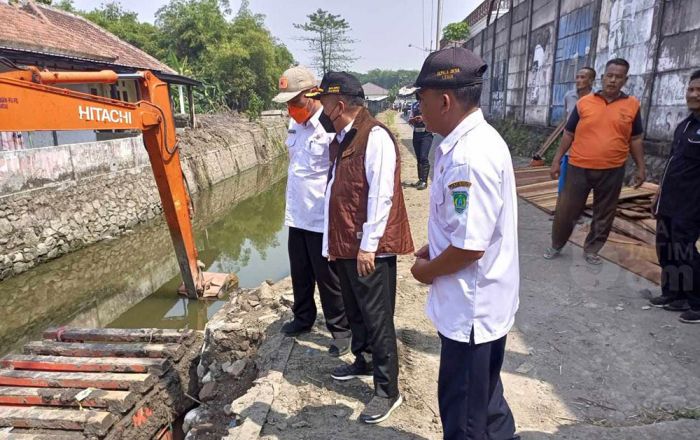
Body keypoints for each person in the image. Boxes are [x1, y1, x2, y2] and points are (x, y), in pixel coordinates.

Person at [410, 46, 520, 440]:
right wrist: (436, 247)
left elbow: (471, 246)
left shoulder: (468, 156)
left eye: (421, 101)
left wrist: (426, 270)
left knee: (464, 419)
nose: (418, 111)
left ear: (444, 100)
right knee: (487, 405)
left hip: (470, 311)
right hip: (483, 305)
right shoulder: (472, 141)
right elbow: (466, 229)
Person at [306, 71, 414, 424]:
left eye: (322, 102)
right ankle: (363, 360)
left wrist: (369, 246)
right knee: (356, 311)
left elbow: (382, 194)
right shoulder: (344, 137)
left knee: (378, 317)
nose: (318, 108)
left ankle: (387, 390)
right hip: (347, 245)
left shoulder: (375, 137)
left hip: (369, 249)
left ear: (338, 104)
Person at [272, 66, 351, 356]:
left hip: (321, 217)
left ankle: (341, 331)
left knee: (328, 278)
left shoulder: (330, 127)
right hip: (297, 215)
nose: (291, 109)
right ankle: (303, 317)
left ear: (312, 94)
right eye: (288, 104)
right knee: (300, 272)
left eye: (296, 102)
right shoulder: (295, 125)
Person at [544, 58, 647, 265]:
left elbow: (635, 139)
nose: (613, 80)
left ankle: (592, 249)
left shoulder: (632, 105)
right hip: (578, 167)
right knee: (567, 210)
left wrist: (641, 167)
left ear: (625, 80)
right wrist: (556, 160)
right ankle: (557, 244)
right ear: (602, 77)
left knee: (604, 214)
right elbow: (568, 133)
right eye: (609, 76)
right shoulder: (584, 103)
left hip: (613, 169)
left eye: (618, 77)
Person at [649, 69, 700, 324]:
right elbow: (671, 163)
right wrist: (658, 193)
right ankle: (673, 295)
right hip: (669, 201)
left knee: (685, 251)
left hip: (691, 205)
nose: (694, 95)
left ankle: (697, 303)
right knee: (666, 249)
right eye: (691, 89)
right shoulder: (685, 126)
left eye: (699, 90)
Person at [558, 67, 596, 193]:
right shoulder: (569, 96)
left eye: (583, 77)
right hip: (570, 148)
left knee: (582, 185)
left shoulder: (597, 98)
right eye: (577, 77)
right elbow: (567, 121)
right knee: (564, 183)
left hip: (588, 150)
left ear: (591, 81)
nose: (579, 80)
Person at [408, 100, 434, 190]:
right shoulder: (414, 105)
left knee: (423, 157)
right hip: (416, 134)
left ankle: (424, 182)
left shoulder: (429, 104)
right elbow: (409, 118)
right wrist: (412, 120)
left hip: (427, 134)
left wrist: (423, 119)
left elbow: (433, 117)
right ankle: (420, 179)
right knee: (419, 158)